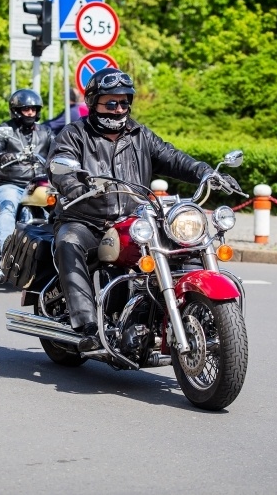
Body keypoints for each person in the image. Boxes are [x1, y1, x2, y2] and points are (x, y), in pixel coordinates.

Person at [47, 68, 241, 351]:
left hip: (135, 219)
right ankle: (87, 324)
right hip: (87, 219)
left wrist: (206, 172)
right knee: (69, 241)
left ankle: (185, 311)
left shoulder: (139, 134)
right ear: (94, 102)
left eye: (124, 102)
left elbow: (172, 157)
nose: (119, 109)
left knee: (182, 245)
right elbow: (60, 166)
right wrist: (75, 187)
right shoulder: (75, 134)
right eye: (111, 103)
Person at [0, 89, 54, 251]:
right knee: (8, 208)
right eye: (26, 109)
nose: (30, 113)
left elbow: (59, 149)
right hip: (11, 183)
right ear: (16, 111)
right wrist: (1, 155)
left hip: (37, 184)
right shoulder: (4, 130)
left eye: (33, 109)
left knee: (56, 211)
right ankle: (6, 251)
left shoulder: (46, 132)